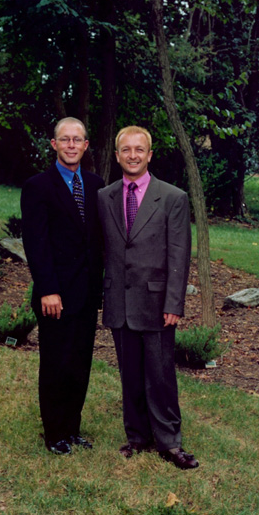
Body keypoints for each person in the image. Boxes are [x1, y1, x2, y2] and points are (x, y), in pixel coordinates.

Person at [97, 125, 198, 470]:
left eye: (140, 149)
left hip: (157, 304)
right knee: (130, 374)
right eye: (126, 149)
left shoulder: (172, 197)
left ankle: (170, 442)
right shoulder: (105, 196)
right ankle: (137, 436)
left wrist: (174, 303)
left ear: (150, 154)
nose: (133, 155)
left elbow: (179, 255)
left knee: (160, 375)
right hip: (119, 302)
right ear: (117, 155)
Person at [21, 117, 104, 455]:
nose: (71, 145)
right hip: (55, 294)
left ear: (86, 146)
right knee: (56, 363)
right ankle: (54, 433)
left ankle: (72, 427)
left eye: (77, 140)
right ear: (54, 144)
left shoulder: (97, 186)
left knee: (79, 363)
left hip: (86, 294)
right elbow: (36, 243)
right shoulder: (38, 186)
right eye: (64, 139)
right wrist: (47, 289)